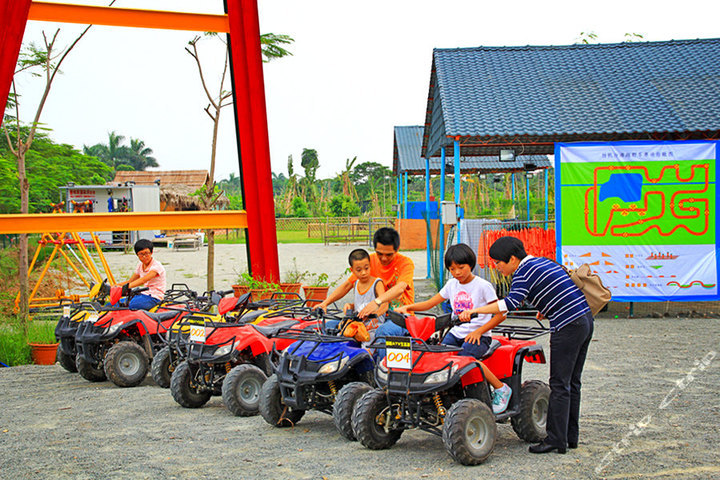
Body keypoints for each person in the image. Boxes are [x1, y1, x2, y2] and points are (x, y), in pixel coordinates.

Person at [465, 236, 594, 454]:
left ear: (513, 259)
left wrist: (476, 311)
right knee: (572, 382)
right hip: (585, 320)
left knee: (560, 384)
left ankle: (555, 440)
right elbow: (561, 284)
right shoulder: (542, 262)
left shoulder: (523, 273)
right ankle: (569, 437)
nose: (497, 267)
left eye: (499, 263)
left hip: (567, 325)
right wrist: (546, 306)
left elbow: (510, 303)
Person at [395, 243, 512, 414]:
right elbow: (431, 303)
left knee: (466, 360)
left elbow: (501, 314)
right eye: (452, 268)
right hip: (456, 333)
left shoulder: (483, 286)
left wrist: (479, 331)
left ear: (470, 264)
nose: (457, 272)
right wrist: (408, 308)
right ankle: (445, 395)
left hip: (479, 335)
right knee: (437, 359)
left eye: (461, 267)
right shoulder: (452, 285)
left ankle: (501, 388)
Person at [316, 227, 414, 318]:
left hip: (399, 317)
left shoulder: (405, 263)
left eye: (389, 255)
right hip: (371, 316)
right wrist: (325, 303)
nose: (384, 258)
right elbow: (347, 285)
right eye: (379, 253)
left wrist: (377, 301)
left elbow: (400, 288)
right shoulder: (368, 262)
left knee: (382, 332)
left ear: (397, 249)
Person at [333, 248, 388, 342]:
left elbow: (385, 305)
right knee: (339, 338)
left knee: (367, 346)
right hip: (357, 325)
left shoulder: (377, 283)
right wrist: (350, 306)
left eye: (366, 268)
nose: (363, 272)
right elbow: (360, 304)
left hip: (373, 326)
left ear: (370, 266)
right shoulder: (356, 283)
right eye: (359, 270)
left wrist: (373, 314)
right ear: (352, 270)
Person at [115, 238, 166, 310]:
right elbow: (130, 281)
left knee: (127, 305)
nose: (144, 257)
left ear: (151, 252)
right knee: (113, 304)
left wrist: (123, 288)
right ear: (137, 255)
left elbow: (143, 280)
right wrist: (115, 286)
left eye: (146, 253)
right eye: (141, 254)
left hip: (154, 297)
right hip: (144, 294)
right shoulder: (140, 265)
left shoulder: (156, 266)